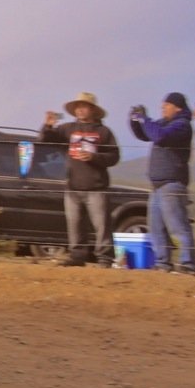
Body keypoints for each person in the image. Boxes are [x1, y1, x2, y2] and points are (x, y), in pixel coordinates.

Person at [39, 92, 120, 267]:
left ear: (93, 110)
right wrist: (47, 126)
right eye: (77, 107)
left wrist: (94, 157)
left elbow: (114, 156)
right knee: (74, 225)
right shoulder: (67, 128)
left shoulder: (104, 132)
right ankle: (77, 256)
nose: (80, 110)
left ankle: (105, 258)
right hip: (73, 186)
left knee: (102, 226)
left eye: (83, 106)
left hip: (96, 188)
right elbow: (46, 140)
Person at [130, 93, 195, 276]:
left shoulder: (181, 125)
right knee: (156, 228)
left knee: (178, 227)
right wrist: (135, 120)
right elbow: (145, 135)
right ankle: (162, 264)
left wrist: (145, 118)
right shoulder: (163, 123)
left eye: (166, 105)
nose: (163, 108)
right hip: (157, 186)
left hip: (172, 184)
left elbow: (159, 137)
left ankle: (188, 266)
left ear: (178, 108)